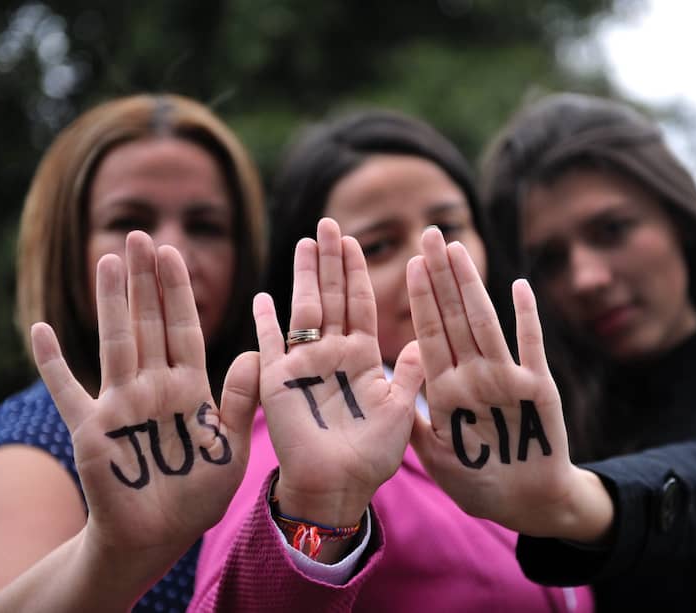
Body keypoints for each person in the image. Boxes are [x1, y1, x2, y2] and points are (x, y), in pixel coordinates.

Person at [402, 92, 696, 612]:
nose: (587, 278)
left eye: (611, 230)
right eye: (550, 259)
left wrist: (573, 499)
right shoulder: (524, 426)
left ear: (680, 220)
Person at [189, 110, 593, 612]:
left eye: (448, 225)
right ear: (311, 276)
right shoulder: (294, 437)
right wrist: (315, 510)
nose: (430, 257)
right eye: (379, 244)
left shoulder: (521, 411)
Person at [0, 94, 266, 611]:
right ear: (65, 248)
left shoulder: (273, 426)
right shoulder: (34, 447)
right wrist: (112, 558)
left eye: (206, 226)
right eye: (128, 220)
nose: (173, 253)